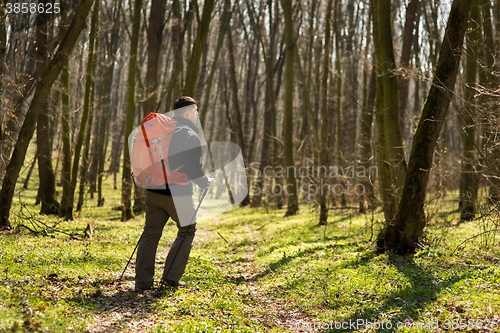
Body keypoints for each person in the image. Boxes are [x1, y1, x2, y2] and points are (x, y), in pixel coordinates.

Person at [134, 96, 215, 291]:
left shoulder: (160, 133)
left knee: (150, 234)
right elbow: (192, 169)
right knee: (188, 229)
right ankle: (170, 279)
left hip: (153, 190)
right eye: (195, 111)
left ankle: (142, 283)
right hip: (177, 193)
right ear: (188, 113)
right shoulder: (189, 135)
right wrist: (206, 183)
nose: (197, 115)